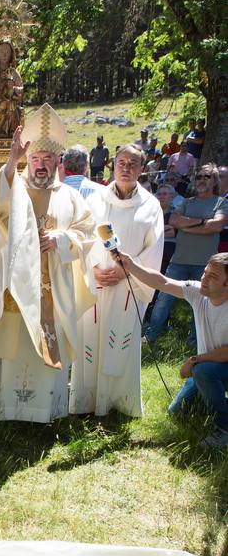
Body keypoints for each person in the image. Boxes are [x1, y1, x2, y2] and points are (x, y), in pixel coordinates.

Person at [0, 104, 94, 423]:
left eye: (47, 160)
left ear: (59, 162)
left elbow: (86, 230)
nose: (41, 166)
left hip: (53, 293)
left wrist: (61, 238)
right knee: (14, 349)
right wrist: (12, 160)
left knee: (47, 347)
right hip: (17, 292)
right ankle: (7, 410)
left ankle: (45, 411)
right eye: (36, 159)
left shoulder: (70, 198)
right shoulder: (16, 187)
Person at [69, 145, 164, 417]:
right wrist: (92, 268)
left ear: (142, 169)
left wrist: (128, 270)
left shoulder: (150, 206)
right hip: (96, 283)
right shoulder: (96, 200)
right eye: (121, 162)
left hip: (128, 286)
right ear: (113, 165)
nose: (126, 168)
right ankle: (86, 401)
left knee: (120, 342)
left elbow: (155, 246)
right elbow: (82, 237)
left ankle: (118, 402)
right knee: (91, 340)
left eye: (133, 163)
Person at [117, 250, 228, 449]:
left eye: (213, 277)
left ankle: (224, 430)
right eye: (205, 273)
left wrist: (194, 360)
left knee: (203, 371)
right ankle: (217, 407)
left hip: (213, 368)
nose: (203, 279)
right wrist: (131, 266)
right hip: (207, 369)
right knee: (177, 413)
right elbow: (163, 282)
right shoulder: (198, 293)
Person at [145, 164, 228, 344]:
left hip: (206, 265)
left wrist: (187, 226)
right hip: (179, 259)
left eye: (206, 176)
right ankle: (151, 335)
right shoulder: (186, 202)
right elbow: (174, 220)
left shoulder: (222, 203)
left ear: (214, 181)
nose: (201, 180)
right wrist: (204, 223)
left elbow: (216, 226)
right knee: (163, 299)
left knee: (203, 304)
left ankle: (196, 341)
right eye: (198, 176)